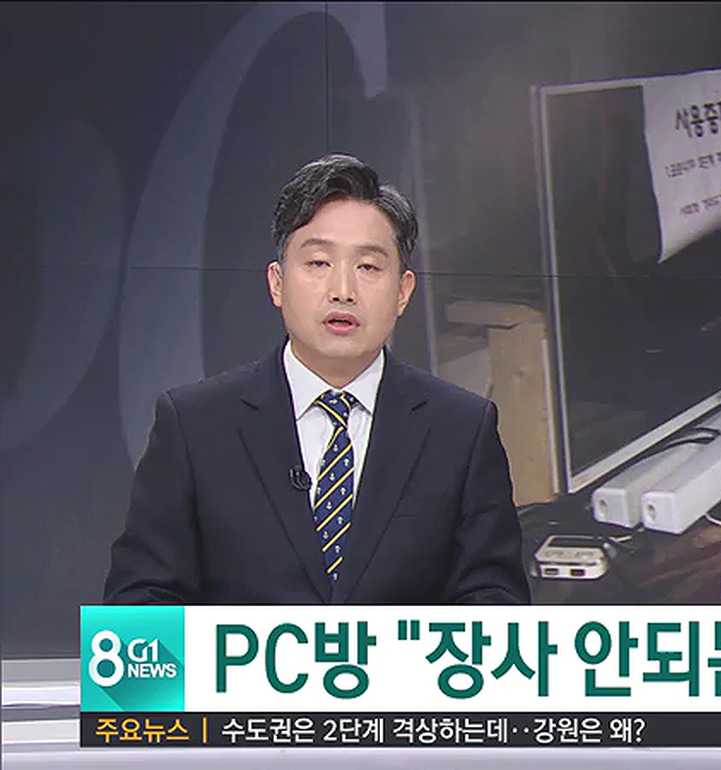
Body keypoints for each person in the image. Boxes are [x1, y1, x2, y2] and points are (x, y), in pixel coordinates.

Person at [104, 154, 531, 605]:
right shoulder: (194, 425)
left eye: (368, 267)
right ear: (277, 283)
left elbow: (495, 603)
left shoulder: (461, 430)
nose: (342, 290)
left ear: (403, 292)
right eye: (318, 263)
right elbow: (140, 605)